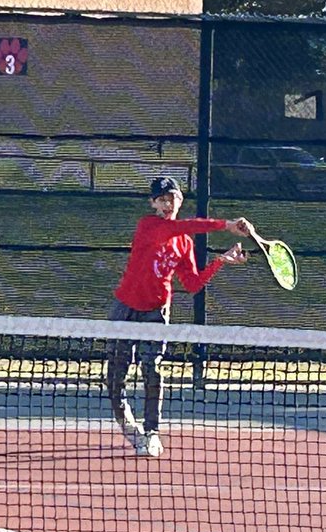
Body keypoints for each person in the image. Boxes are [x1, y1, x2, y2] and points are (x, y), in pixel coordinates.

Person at [106, 176, 252, 457]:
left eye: (172, 198)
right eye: (161, 199)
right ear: (153, 203)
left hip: (156, 312)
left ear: (180, 201)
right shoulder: (148, 225)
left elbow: (193, 284)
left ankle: (151, 432)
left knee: (152, 369)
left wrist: (220, 261)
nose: (167, 204)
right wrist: (226, 225)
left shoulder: (184, 243)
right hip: (125, 309)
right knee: (115, 378)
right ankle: (130, 428)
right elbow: (182, 227)